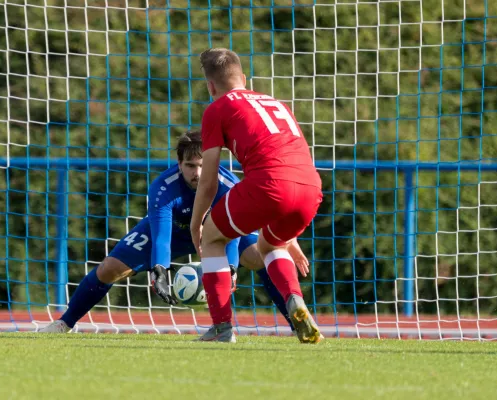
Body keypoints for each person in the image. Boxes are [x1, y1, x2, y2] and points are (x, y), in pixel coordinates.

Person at [38, 130, 310, 334]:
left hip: (220, 232)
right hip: (176, 233)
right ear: (179, 163)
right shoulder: (163, 188)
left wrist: (231, 268)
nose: (198, 172)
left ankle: (296, 324)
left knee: (261, 256)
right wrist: (159, 269)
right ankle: (65, 322)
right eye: (190, 166)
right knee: (109, 267)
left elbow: (233, 231)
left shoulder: (228, 185)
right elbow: (161, 235)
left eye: (203, 165)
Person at [190, 48, 324, 344]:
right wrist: (292, 239)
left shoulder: (217, 109)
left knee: (212, 237)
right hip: (310, 187)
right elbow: (289, 163)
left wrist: (196, 223)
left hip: (270, 184)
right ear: (244, 78)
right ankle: (295, 300)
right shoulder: (276, 102)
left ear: (210, 86)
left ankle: (222, 328)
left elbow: (208, 179)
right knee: (271, 243)